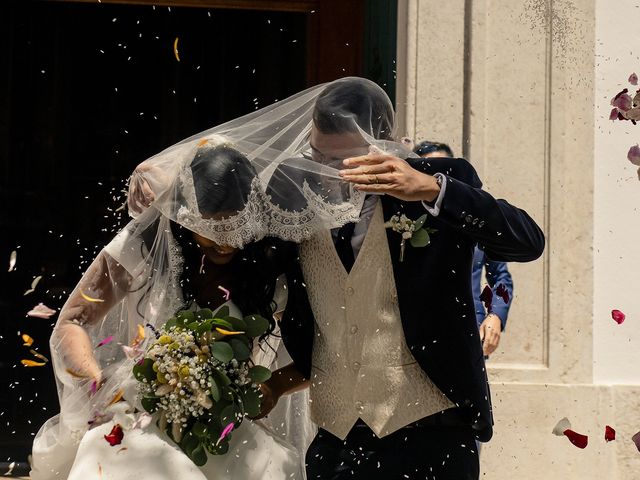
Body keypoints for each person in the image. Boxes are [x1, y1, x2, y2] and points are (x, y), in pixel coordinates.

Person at [260, 78, 544, 480]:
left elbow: (527, 243)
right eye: (321, 158)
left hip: (432, 434)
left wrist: (431, 189)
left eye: (349, 161)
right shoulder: (295, 197)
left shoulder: (437, 180)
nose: (334, 174)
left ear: (385, 145)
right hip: (335, 441)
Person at [30, 140, 305, 480]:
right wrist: (93, 379)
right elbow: (73, 320)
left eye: (234, 228)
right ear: (184, 216)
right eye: (210, 228)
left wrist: (273, 386)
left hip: (224, 429)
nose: (224, 241)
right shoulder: (146, 242)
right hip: (141, 418)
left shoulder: (268, 264)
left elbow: (317, 349)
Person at [414, 140, 514, 356]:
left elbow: (501, 278)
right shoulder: (404, 222)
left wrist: (495, 315)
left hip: (470, 331)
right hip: (415, 331)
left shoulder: (475, 221)